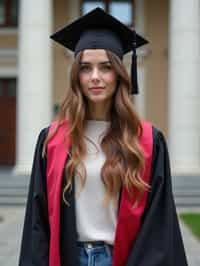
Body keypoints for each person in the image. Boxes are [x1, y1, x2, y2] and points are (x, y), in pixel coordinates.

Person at [19, 7, 188, 266]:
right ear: (76, 75)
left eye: (106, 67)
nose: (95, 77)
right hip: (68, 258)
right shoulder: (52, 140)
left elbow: (158, 226)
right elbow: (38, 222)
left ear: (119, 74)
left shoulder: (146, 141)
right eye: (86, 68)